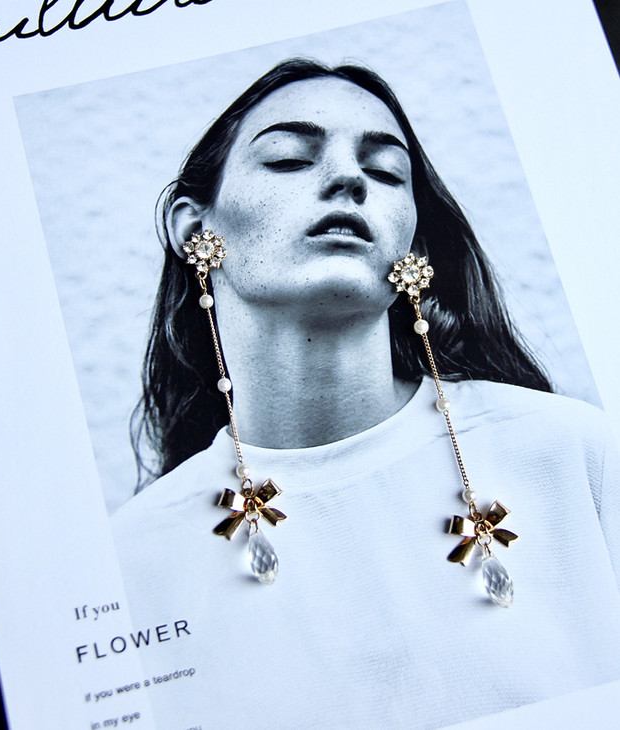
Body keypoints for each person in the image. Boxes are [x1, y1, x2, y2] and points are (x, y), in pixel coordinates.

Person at [113, 59, 620, 729]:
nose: (348, 179)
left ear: (411, 239)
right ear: (193, 230)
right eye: (289, 159)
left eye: (384, 172)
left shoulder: (576, 457)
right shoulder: (130, 560)